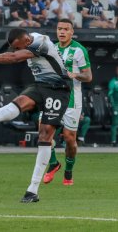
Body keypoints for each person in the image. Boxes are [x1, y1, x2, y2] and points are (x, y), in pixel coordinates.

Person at [0, 28, 71, 203]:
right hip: (40, 85)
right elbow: (14, 54)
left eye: (17, 46)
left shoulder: (41, 42)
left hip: (58, 90)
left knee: (45, 136)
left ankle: (33, 189)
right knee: (20, 101)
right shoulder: (26, 42)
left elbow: (13, 58)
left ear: (26, 40)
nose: (16, 50)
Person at [42, 18, 92, 186]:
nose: (62, 32)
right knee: (43, 128)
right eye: (59, 29)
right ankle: (54, 163)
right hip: (53, 96)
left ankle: (69, 170)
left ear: (72, 32)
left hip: (71, 99)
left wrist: (74, 75)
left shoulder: (79, 50)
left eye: (65, 29)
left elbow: (88, 76)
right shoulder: (52, 49)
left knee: (70, 139)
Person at [108, 66, 118, 147]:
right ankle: (113, 141)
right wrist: (113, 106)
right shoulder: (113, 82)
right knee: (115, 124)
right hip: (116, 106)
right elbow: (110, 94)